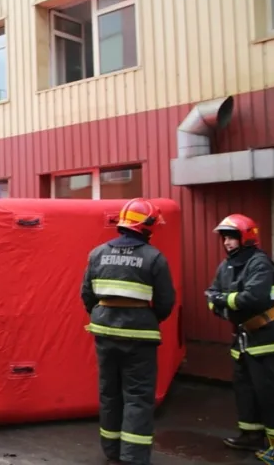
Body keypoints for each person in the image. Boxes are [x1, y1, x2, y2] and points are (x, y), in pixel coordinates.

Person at [80, 198, 176, 465]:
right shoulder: (154, 257)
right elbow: (166, 301)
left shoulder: (97, 253)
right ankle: (133, 457)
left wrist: (103, 315)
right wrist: (147, 319)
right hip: (140, 337)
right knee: (138, 395)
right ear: (147, 225)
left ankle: (112, 450)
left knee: (109, 391)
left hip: (104, 332)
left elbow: (86, 295)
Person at [206, 214, 274, 453]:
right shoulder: (226, 265)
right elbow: (211, 294)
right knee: (245, 390)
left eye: (232, 238)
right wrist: (221, 303)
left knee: (270, 393)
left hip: (266, 335)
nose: (227, 242)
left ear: (245, 237)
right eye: (224, 238)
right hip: (243, 338)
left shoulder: (259, 263)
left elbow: (253, 298)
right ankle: (251, 436)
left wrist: (222, 300)